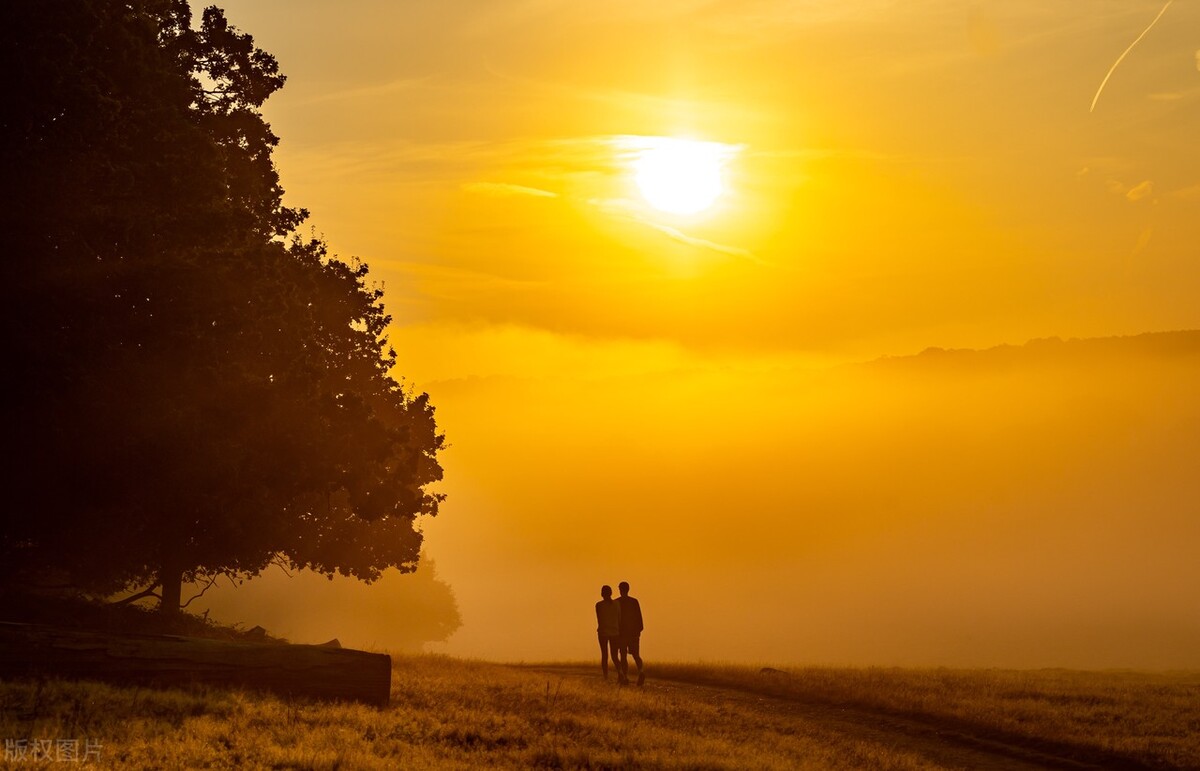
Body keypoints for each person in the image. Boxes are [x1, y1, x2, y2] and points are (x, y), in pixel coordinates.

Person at [616, 581, 644, 686]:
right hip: (634, 633)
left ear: (620, 589)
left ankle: (625, 677)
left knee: (623, 656)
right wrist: (638, 631)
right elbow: (639, 618)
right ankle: (641, 671)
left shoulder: (617, 602)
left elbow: (616, 619)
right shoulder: (634, 601)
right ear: (628, 589)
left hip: (622, 634)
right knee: (636, 655)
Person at [595, 584, 623, 681]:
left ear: (602, 594)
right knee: (614, 656)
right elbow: (619, 619)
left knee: (604, 655)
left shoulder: (599, 605)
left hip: (603, 632)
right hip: (615, 632)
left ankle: (606, 676)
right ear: (611, 593)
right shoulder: (617, 604)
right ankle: (620, 672)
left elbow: (600, 619)